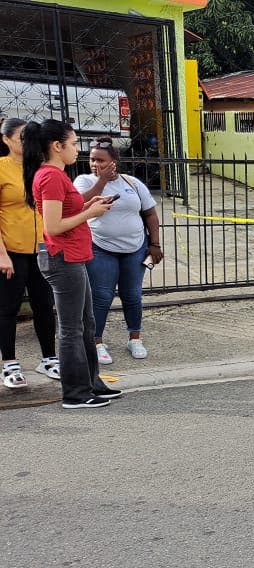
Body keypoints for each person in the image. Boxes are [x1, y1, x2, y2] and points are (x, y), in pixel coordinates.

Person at [21, 119, 121, 408]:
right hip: (62, 258)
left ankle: (92, 384)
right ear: (56, 146)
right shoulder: (50, 176)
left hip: (73, 257)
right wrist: (90, 213)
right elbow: (53, 226)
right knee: (71, 328)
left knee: (85, 323)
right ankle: (75, 393)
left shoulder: (57, 175)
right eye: (74, 143)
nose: (78, 149)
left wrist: (90, 205)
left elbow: (68, 209)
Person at [73, 136, 163, 365]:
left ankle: (135, 338)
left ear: (114, 161)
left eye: (101, 160)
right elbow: (79, 203)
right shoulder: (84, 181)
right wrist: (101, 181)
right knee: (101, 296)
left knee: (132, 295)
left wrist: (155, 244)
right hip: (101, 247)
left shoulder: (131, 183)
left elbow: (150, 213)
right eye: (92, 159)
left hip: (134, 248)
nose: (95, 164)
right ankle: (97, 341)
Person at [1, 117, 58, 389]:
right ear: (6, 139)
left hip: (41, 249)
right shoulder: (1, 168)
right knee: (8, 308)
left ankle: (49, 358)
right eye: (21, 137)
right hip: (11, 251)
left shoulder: (39, 169)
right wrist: (1, 255)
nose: (26, 142)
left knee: (45, 306)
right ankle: (10, 363)